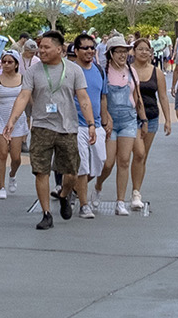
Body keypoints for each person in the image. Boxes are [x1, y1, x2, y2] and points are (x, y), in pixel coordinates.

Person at [3, 28, 94, 231]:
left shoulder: (73, 70)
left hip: (67, 127)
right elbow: (24, 96)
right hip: (42, 126)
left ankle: (64, 194)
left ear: (60, 49)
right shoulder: (33, 71)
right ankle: (46, 214)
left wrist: (90, 124)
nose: (41, 51)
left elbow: (84, 98)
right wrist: (12, 120)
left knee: (71, 173)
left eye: (45, 47)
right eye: (40, 47)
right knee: (40, 171)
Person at [99, 36, 141, 217]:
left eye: (125, 51)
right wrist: (105, 117)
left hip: (129, 120)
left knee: (124, 160)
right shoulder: (103, 72)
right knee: (108, 162)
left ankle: (120, 201)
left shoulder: (131, 71)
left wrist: (142, 117)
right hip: (111, 121)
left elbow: (137, 96)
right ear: (110, 54)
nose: (123, 55)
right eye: (119, 51)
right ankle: (98, 185)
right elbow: (102, 97)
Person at [130, 35, 169, 214]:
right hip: (131, 117)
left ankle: (136, 192)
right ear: (134, 52)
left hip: (151, 117)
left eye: (147, 50)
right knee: (137, 153)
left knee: (142, 156)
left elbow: (162, 96)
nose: (144, 52)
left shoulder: (156, 72)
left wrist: (168, 120)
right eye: (141, 49)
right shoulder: (128, 70)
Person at [70, 32, 105, 218]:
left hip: (97, 124)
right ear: (76, 51)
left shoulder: (99, 70)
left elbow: (103, 96)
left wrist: (106, 119)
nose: (90, 51)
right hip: (76, 125)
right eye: (85, 48)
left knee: (100, 163)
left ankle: (72, 188)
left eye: (92, 48)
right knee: (82, 165)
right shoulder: (69, 70)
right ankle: (84, 205)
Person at [0, 51, 29, 199]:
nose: (6, 64)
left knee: (16, 157)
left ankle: (12, 174)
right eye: (4, 61)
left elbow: (29, 99)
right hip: (1, 118)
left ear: (16, 64)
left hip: (18, 120)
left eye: (10, 62)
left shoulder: (24, 79)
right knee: (3, 153)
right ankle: (1, 186)